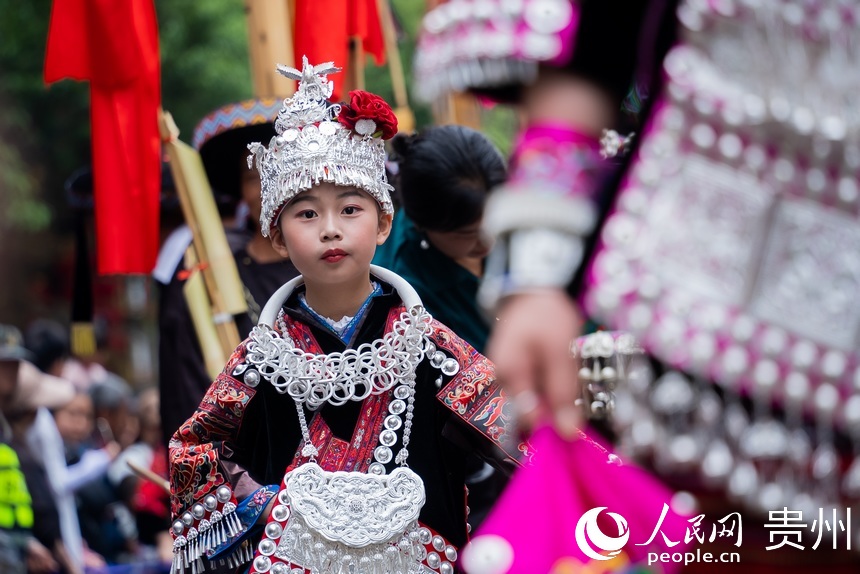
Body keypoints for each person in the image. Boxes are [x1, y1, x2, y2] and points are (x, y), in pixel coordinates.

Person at [168, 59, 522, 574]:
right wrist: (266, 505)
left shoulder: (428, 344)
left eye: (350, 210)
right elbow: (193, 447)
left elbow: (516, 428)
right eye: (306, 213)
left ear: (383, 223)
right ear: (276, 234)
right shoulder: (262, 355)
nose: (330, 229)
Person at [157, 98, 301, 443]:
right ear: (240, 189)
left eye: (280, 173)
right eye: (254, 176)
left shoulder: (339, 268)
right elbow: (186, 389)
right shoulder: (208, 281)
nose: (267, 190)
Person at [373, 125, 506, 354]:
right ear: (420, 223)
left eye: (496, 223)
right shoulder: (404, 294)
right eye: (468, 234)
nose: (489, 241)